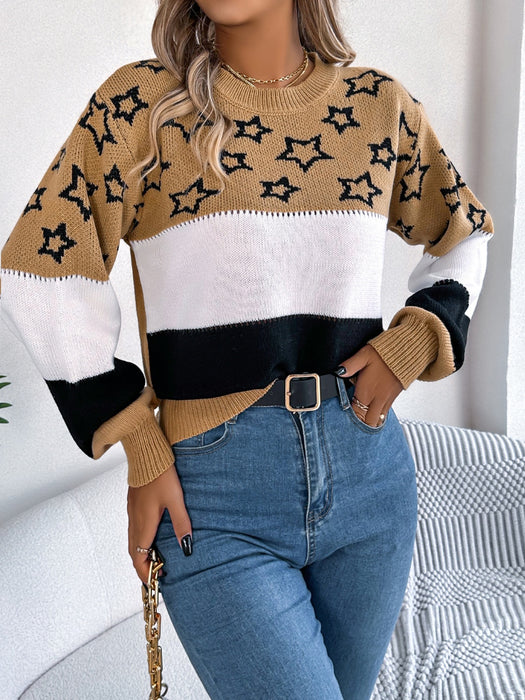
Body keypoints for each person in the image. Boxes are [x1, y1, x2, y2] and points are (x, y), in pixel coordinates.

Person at [0, 0, 494, 697]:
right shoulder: (142, 107)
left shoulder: (377, 107)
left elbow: (464, 231)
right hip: (214, 498)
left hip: (369, 475)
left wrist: (414, 340)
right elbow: (39, 273)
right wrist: (137, 440)